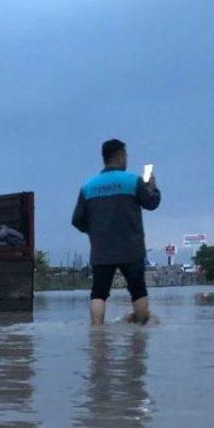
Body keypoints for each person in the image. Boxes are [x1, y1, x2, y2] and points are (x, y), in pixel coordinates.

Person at [72, 139, 161, 325]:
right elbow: (151, 203)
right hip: (131, 249)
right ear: (120, 156)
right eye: (126, 155)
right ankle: (139, 341)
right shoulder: (133, 181)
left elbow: (77, 220)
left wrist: (94, 231)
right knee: (138, 291)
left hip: (102, 251)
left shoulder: (88, 187)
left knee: (99, 293)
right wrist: (152, 186)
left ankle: (96, 334)